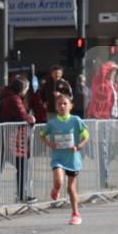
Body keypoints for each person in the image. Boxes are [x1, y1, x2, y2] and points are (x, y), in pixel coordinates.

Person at [39, 93, 89, 225]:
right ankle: (56, 189)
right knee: (59, 181)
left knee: (71, 188)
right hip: (58, 158)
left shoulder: (76, 120)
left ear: (71, 106)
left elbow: (86, 136)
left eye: (65, 103)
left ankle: (75, 214)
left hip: (73, 159)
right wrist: (50, 144)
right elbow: (42, 135)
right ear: (56, 107)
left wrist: (78, 146)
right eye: (59, 104)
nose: (62, 106)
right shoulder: (52, 122)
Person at [0, 76, 36, 203]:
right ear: (23, 88)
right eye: (27, 88)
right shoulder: (14, 99)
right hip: (12, 139)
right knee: (20, 166)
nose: (28, 90)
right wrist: (31, 119)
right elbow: (23, 116)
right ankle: (21, 196)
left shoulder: (8, 96)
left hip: (9, 138)